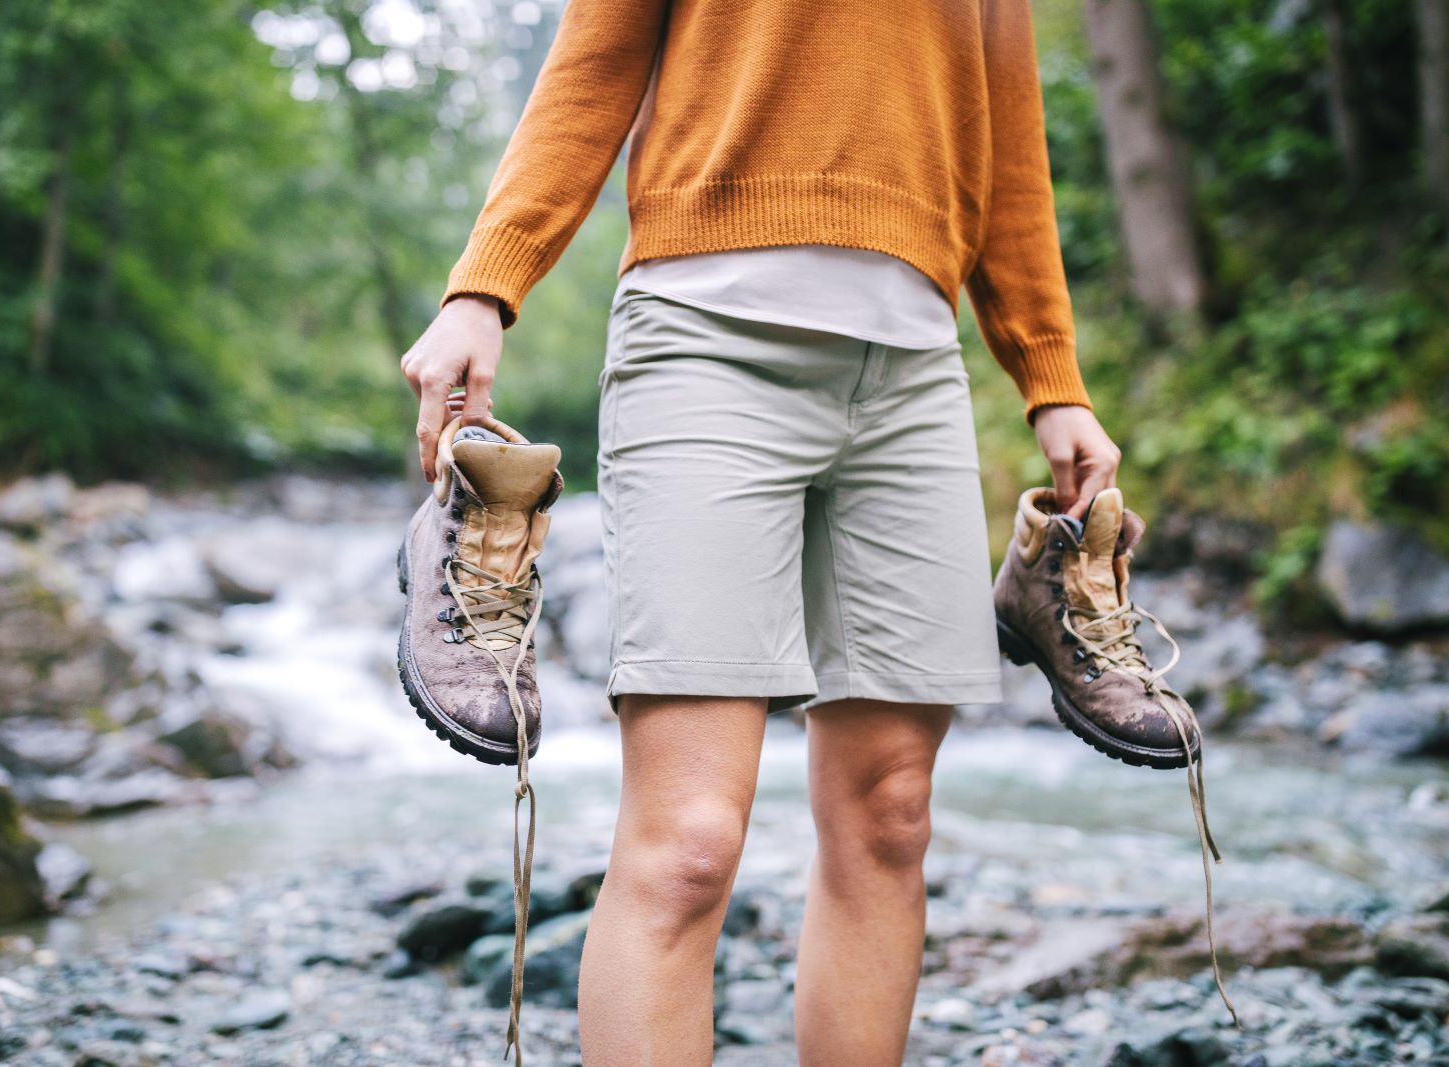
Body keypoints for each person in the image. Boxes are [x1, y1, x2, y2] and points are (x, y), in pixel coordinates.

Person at [399, 1, 1123, 1062]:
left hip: (912, 373)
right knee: (689, 841)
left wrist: (1049, 374)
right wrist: (485, 284)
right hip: (703, 345)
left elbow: (1004, 137)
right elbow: (592, 65)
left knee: (891, 814)